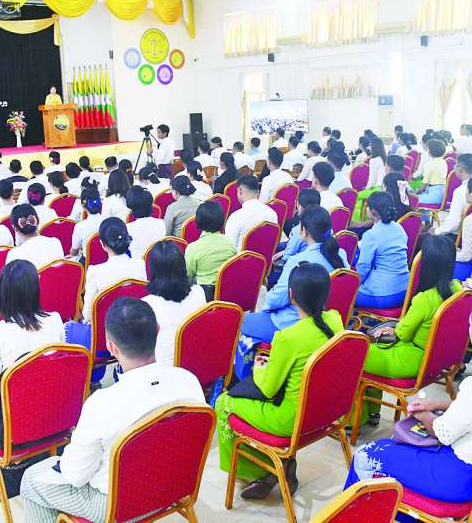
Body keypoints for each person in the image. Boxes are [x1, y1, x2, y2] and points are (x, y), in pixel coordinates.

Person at [20, 297, 204, 522]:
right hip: (174, 488)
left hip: (118, 506)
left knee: (31, 481)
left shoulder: (102, 404)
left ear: (111, 346)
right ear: (157, 330)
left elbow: (75, 476)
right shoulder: (188, 381)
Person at [346, 293, 472, 503]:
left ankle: (366, 512)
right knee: (396, 446)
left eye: (470, 326)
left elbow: (441, 432)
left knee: (365, 455)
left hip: (458, 477)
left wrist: (422, 414)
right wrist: (438, 404)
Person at [216, 262, 343, 499]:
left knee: (223, 403)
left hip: (291, 418)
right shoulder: (335, 320)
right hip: (324, 410)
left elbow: (267, 388)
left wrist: (259, 367)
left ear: (291, 295)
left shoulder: (288, 337)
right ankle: (275, 464)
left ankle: (260, 471)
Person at [360, 235, 461, 426]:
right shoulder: (457, 289)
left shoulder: (425, 298)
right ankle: (370, 413)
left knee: (358, 354)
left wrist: (394, 328)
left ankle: (358, 419)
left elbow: (404, 333)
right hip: (438, 359)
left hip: (413, 359)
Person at [236, 206, 347, 377]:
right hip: (325, 319)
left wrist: (266, 307)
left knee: (241, 322)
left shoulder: (300, 261)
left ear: (304, 231)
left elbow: (277, 299)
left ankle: (245, 376)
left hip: (291, 322)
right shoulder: (341, 255)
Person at [0, 259, 65, 422]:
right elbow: (60, 362)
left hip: (17, 411)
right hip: (52, 403)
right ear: (36, 289)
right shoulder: (55, 319)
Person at [142, 240, 207, 365]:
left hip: (164, 368)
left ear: (152, 270)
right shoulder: (199, 291)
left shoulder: (146, 305)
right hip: (197, 362)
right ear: (182, 265)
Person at [80, 218, 147, 323]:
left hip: (106, 329)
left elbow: (88, 315)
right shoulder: (140, 265)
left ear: (102, 245)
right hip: (134, 325)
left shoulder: (95, 272)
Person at [355, 192, 410, 308]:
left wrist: (353, 285)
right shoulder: (399, 228)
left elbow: (363, 267)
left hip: (383, 295)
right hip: (405, 291)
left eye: (367, 206)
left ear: (373, 211)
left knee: (342, 292)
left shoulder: (371, 235)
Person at [184, 201, 236, 301]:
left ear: (198, 221)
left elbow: (187, 276)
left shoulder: (193, 248)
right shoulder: (230, 243)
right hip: (227, 295)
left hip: (204, 298)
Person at [225, 175, 277, 248]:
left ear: (240, 191)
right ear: (258, 192)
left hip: (241, 255)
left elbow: (229, 248)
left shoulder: (236, 217)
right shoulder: (272, 213)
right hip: (266, 255)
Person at [433, 153, 472, 237]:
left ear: (460, 169)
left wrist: (436, 231)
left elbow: (454, 223)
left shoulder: (460, 191)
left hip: (459, 236)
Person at [124, 186, 165, 259]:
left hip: (137, 264)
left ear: (131, 209)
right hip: (158, 262)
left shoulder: (127, 229)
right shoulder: (161, 223)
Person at [69, 188, 104, 258]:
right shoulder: (108, 221)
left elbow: (74, 252)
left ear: (82, 205)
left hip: (88, 263)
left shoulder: (80, 227)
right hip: (107, 260)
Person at [417, 139, 448, 205]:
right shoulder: (444, 162)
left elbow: (424, 184)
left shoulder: (429, 164)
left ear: (429, 150)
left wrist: (415, 192)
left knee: (410, 199)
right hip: (443, 195)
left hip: (433, 196)